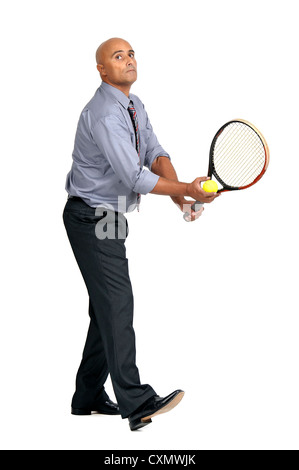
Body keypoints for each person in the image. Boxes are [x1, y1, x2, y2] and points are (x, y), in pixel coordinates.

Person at [63, 37, 219, 431]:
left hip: (111, 214)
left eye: (131, 53)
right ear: (101, 69)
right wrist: (187, 190)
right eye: (118, 56)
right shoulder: (104, 114)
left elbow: (154, 153)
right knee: (117, 302)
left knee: (106, 307)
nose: (128, 59)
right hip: (91, 215)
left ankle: (87, 396)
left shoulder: (134, 105)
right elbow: (133, 175)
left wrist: (182, 200)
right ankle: (135, 401)